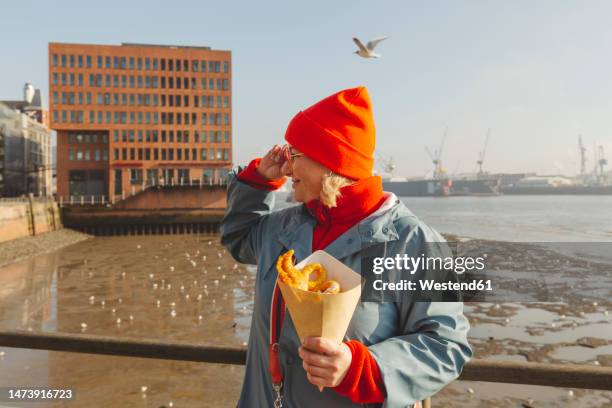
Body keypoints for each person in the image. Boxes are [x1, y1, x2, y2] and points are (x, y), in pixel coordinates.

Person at [220, 86, 471, 407]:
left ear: (330, 162)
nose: (287, 167)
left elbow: (447, 346)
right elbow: (238, 239)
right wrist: (257, 181)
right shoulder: (279, 227)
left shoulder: (416, 242)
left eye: (295, 154)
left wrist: (361, 369)